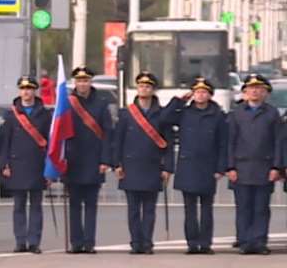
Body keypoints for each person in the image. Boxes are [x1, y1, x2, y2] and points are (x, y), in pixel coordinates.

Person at [160, 77, 227, 254]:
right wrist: (180, 100)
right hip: (188, 166)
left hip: (208, 167)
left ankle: (205, 244)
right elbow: (163, 119)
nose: (200, 95)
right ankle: (192, 243)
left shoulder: (218, 115)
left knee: (206, 209)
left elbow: (223, 144)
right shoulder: (184, 112)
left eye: (204, 92)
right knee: (189, 209)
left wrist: (221, 168)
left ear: (210, 95)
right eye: (197, 92)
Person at [111, 72, 173, 255]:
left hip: (153, 166)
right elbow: (118, 141)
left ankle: (147, 243)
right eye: (141, 86)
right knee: (133, 210)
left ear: (153, 90)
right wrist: (117, 164)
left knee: (149, 209)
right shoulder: (126, 113)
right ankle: (135, 242)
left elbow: (168, 143)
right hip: (130, 167)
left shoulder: (161, 114)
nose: (144, 89)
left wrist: (168, 167)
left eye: (147, 86)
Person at [0, 76, 52, 253]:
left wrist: (51, 168)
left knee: (36, 205)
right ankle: (20, 240)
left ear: (35, 90)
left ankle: (34, 241)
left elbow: (51, 143)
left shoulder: (45, 114)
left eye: (29, 89)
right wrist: (4, 164)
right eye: (23, 89)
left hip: (37, 165)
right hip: (16, 164)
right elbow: (4, 141)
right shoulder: (11, 114)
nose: (26, 92)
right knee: (18, 205)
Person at [64, 66, 115, 254]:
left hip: (94, 160)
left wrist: (105, 160)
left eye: (85, 81)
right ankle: (76, 243)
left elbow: (108, 134)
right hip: (73, 160)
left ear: (90, 82)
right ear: (74, 83)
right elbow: (59, 133)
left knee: (91, 205)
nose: (82, 84)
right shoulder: (67, 103)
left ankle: (89, 242)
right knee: (74, 205)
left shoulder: (101, 104)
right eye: (79, 81)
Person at [227, 74, 279, 255]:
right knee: (244, 208)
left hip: (264, 168)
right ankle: (245, 241)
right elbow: (230, 142)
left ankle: (259, 241)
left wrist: (276, 167)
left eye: (259, 88)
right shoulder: (236, 114)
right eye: (251, 88)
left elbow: (278, 142)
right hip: (241, 168)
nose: (255, 91)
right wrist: (230, 167)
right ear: (245, 92)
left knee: (261, 208)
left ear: (265, 92)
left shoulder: (272, 113)